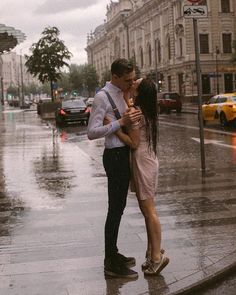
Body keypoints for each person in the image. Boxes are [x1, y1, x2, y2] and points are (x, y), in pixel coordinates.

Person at [87, 58, 141, 278]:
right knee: (114, 209)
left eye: (132, 78)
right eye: (127, 79)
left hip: (124, 154)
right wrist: (120, 124)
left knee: (118, 209)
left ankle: (114, 253)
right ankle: (110, 262)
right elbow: (92, 132)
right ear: (115, 76)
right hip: (114, 156)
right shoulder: (102, 97)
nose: (131, 82)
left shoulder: (121, 93)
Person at [113, 78, 169, 275]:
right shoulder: (143, 108)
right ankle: (151, 252)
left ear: (140, 90)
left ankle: (156, 257)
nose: (133, 80)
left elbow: (134, 143)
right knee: (147, 211)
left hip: (142, 162)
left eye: (136, 81)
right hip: (147, 160)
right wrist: (128, 94)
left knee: (149, 210)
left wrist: (116, 129)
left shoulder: (135, 113)